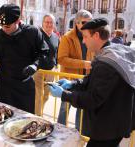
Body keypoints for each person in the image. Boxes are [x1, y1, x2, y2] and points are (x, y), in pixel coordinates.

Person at [49, 18, 135, 147]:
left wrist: (64, 95)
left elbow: (93, 99)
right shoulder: (111, 51)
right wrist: (72, 84)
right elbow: (93, 80)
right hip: (116, 122)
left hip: (107, 128)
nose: (83, 41)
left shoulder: (106, 63)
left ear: (96, 36)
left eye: (85, 37)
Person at [57, 9, 94, 131]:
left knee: (81, 108)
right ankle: (60, 131)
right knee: (64, 108)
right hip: (69, 80)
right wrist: (83, 64)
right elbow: (61, 59)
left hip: (85, 81)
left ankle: (78, 133)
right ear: (77, 23)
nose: (87, 24)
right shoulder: (67, 37)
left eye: (90, 22)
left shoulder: (91, 36)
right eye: (84, 22)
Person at [34, 14, 59, 115]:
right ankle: (38, 117)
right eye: (47, 22)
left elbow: (56, 53)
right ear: (43, 23)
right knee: (39, 96)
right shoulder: (37, 35)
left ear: (54, 24)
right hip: (38, 71)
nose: (49, 24)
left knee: (46, 96)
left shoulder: (56, 37)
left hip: (50, 71)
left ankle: (38, 112)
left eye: (51, 22)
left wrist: (56, 65)